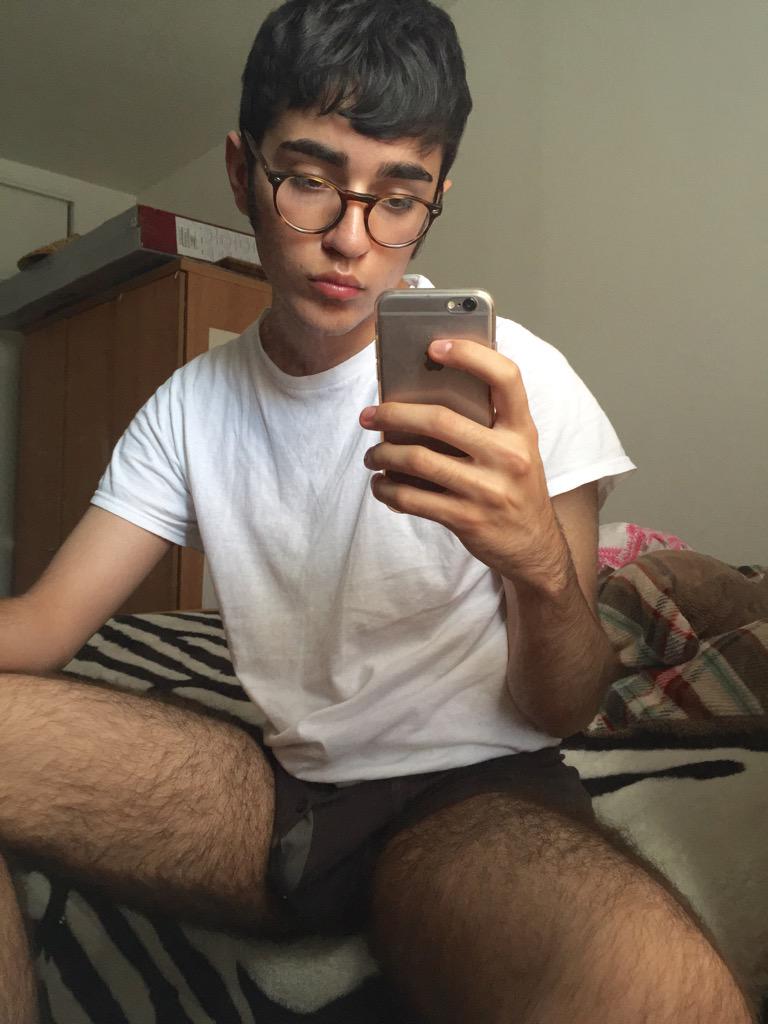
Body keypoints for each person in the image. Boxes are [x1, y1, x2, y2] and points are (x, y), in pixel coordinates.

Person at [0, 1, 757, 1021]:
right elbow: (42, 626)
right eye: (310, 180)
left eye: (398, 198)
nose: (350, 241)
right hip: (271, 797)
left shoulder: (522, 380)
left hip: (472, 796)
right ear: (242, 171)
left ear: (434, 196)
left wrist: (537, 564)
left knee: (649, 993)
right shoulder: (189, 408)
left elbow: (566, 707)